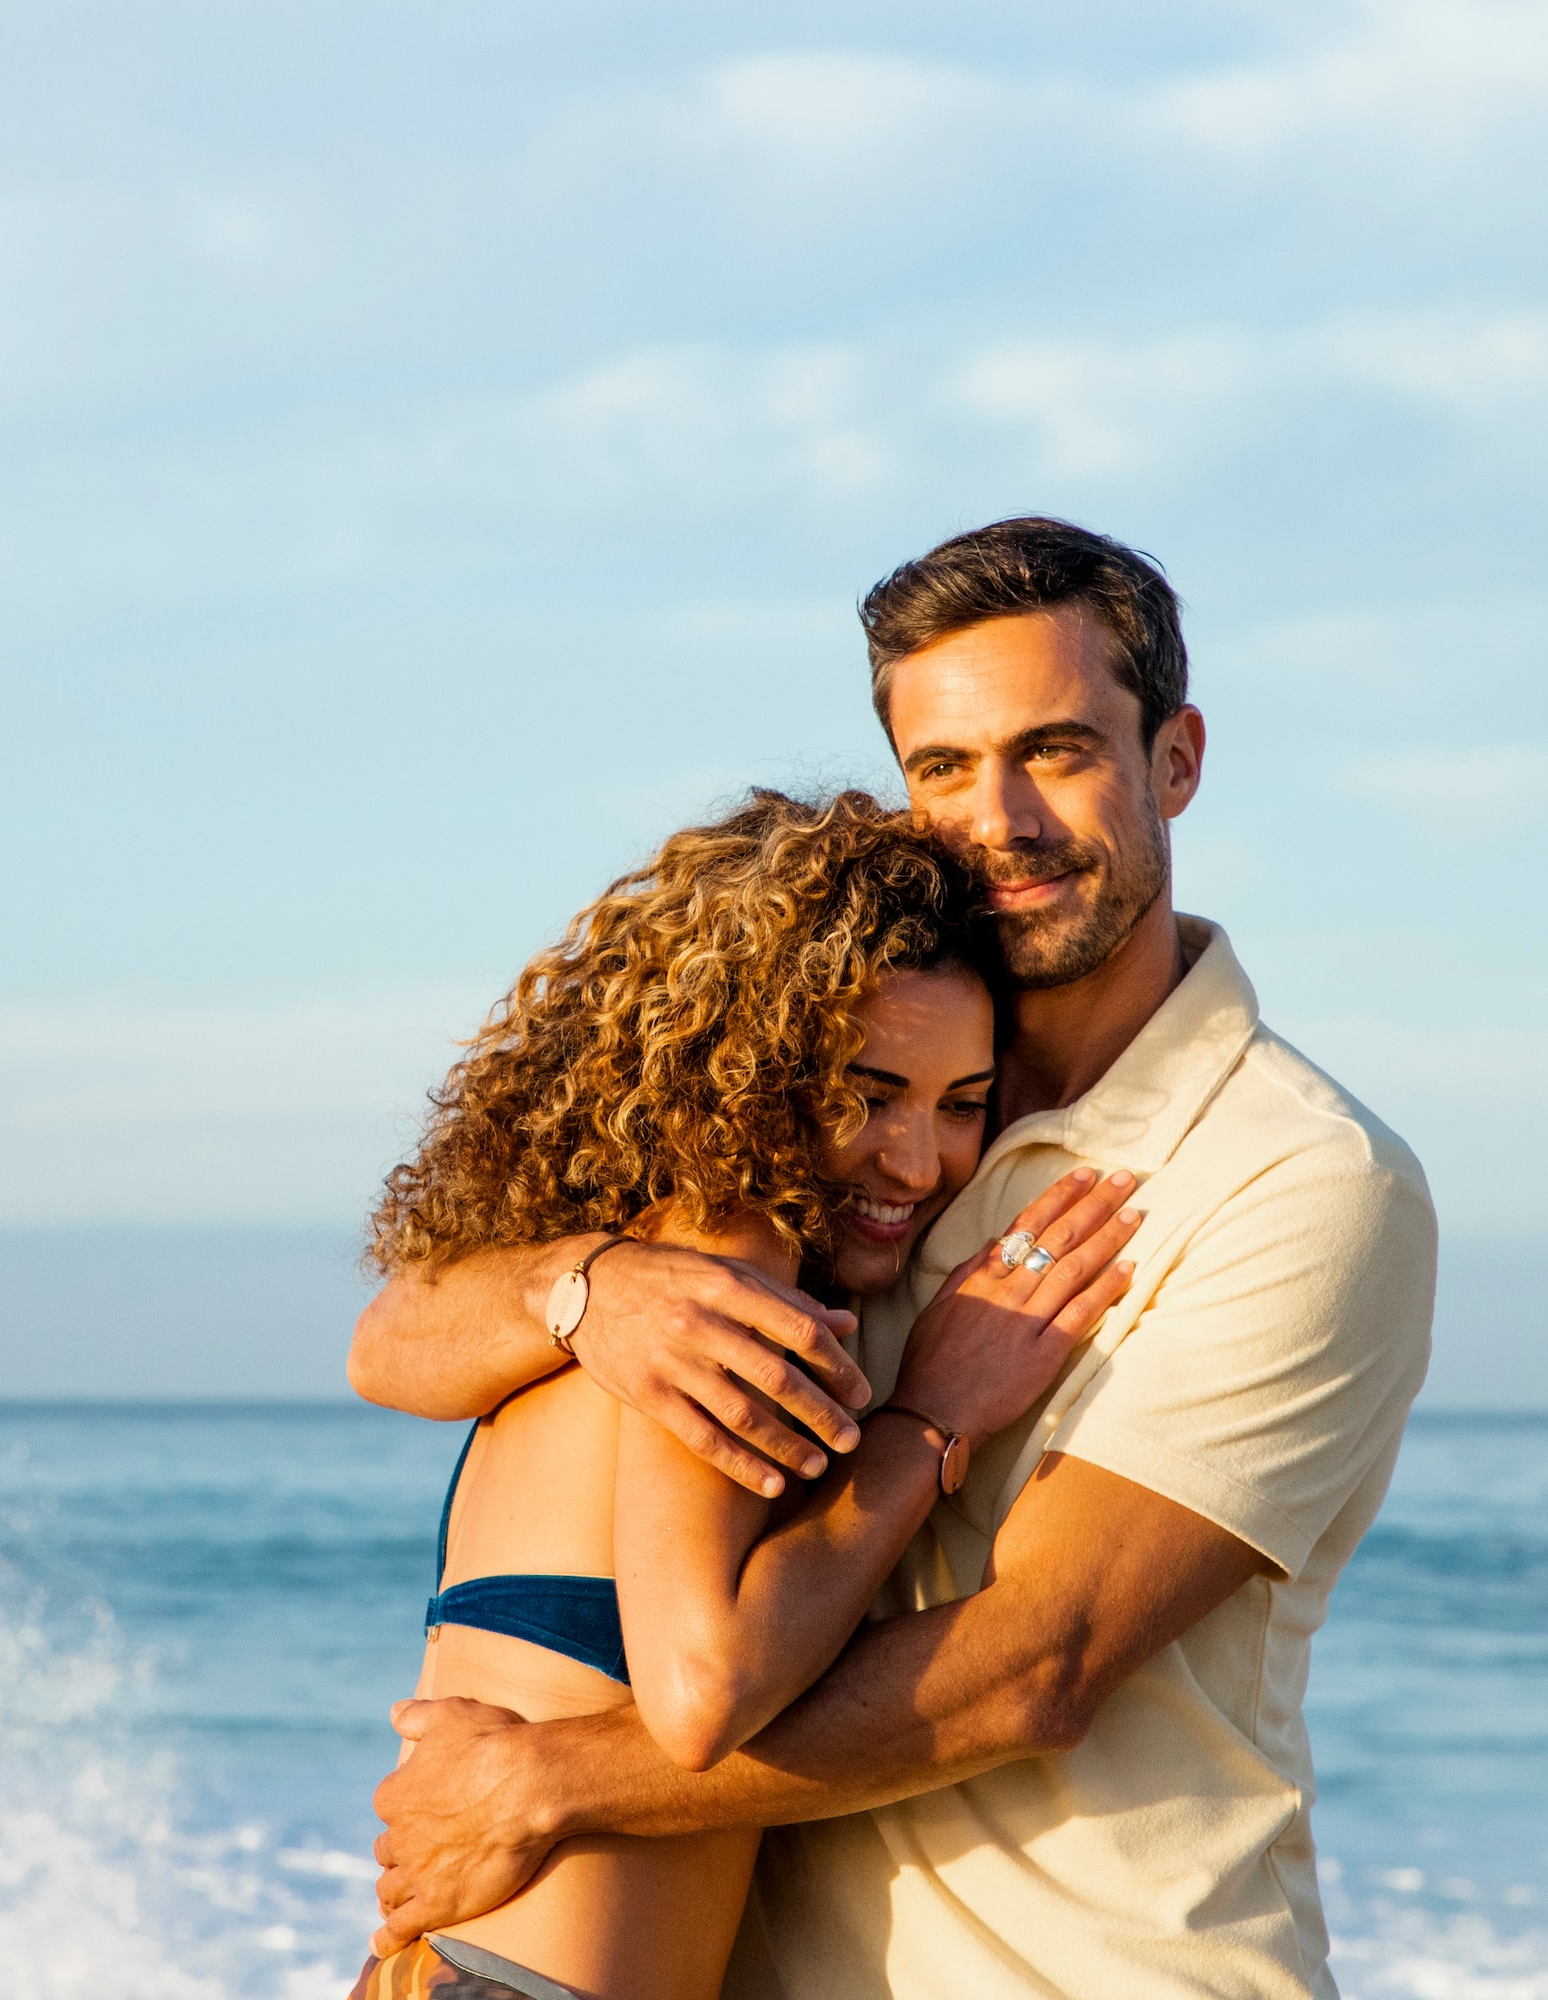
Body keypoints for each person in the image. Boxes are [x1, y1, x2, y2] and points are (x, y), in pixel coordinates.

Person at [351, 517, 1438, 2000]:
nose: (999, 817)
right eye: (944, 767)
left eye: (1057, 750)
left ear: (1175, 759)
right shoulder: (851, 1115)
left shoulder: (1300, 1179)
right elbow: (396, 1343)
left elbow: (1034, 1665)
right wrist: (588, 1290)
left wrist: (554, 1785)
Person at [346, 792, 1142, 2000]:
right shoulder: (724, 1255)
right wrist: (927, 1420)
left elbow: (381, 1346)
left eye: (960, 1102)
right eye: (867, 1093)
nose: (918, 1160)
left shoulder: (630, 1255)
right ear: (755, 1072)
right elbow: (703, 1685)